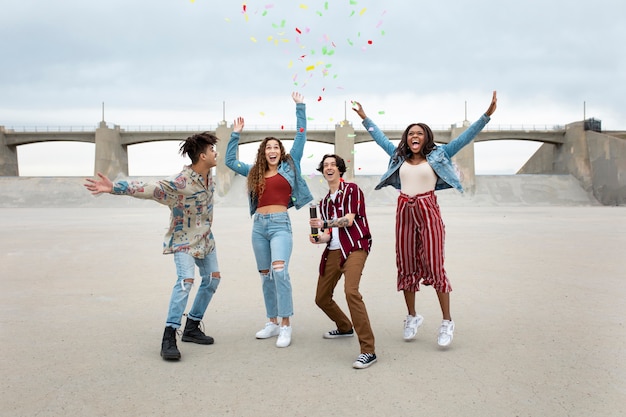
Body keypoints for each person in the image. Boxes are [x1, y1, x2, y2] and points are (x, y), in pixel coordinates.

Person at [352, 91, 497, 348]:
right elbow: (380, 138)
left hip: (428, 209)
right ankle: (412, 316)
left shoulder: (439, 155)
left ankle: (447, 321)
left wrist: (486, 116)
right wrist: (364, 117)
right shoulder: (398, 157)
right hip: (404, 211)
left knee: (434, 264)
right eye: (411, 134)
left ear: (426, 138)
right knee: (406, 264)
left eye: (419, 133)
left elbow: (464, 138)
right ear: (406, 140)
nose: (414, 137)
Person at [83, 132, 221, 361]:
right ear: (203, 155)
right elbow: (149, 187)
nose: (216, 153)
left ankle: (192, 327)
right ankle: (169, 336)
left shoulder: (209, 178)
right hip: (183, 240)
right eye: (212, 150)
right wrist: (115, 187)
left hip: (206, 239)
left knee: (212, 279)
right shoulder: (180, 182)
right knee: (185, 282)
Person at [225, 92, 313, 348]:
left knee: (279, 272)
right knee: (265, 275)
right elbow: (230, 161)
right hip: (259, 228)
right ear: (263, 153)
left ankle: (286, 325)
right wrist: (235, 134)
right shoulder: (255, 172)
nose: (272, 150)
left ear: (281, 152)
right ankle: (272, 321)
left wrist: (300, 107)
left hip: (280, 225)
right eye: (268, 148)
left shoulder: (290, 164)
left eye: (276, 147)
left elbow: (301, 134)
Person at [308, 154, 377, 369]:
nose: (329, 168)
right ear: (323, 171)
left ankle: (368, 350)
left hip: (355, 247)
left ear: (339, 169)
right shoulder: (325, 202)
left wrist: (324, 222)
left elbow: (348, 220)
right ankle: (345, 326)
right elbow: (329, 233)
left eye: (333, 165)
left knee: (351, 292)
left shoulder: (352, 190)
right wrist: (318, 238)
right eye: (325, 165)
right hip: (334, 251)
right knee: (321, 298)